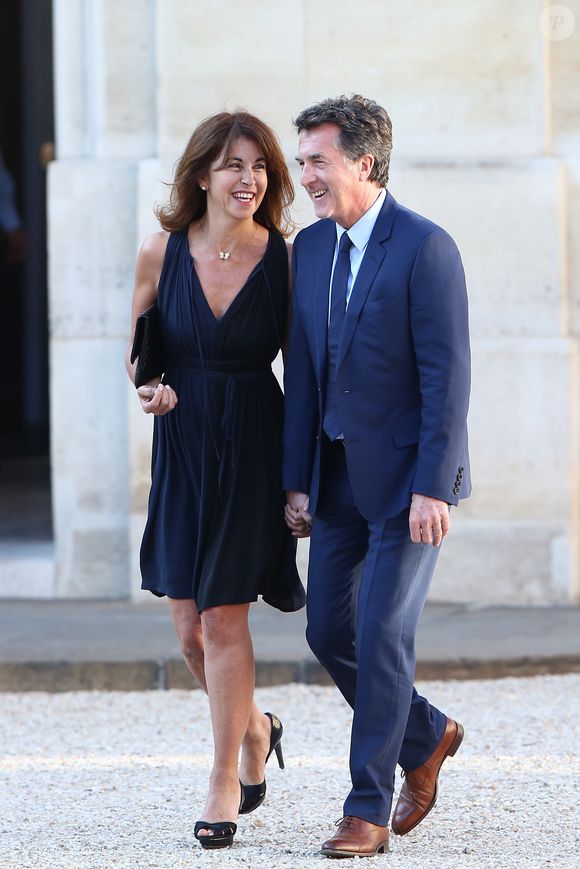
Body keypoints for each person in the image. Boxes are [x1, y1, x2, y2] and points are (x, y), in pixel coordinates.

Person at [283, 94, 471, 859]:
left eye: (317, 161)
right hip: (334, 480)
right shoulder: (311, 249)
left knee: (383, 630)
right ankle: (427, 733)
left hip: (408, 486)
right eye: (301, 163)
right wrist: (297, 478)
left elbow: (448, 376)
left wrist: (436, 484)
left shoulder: (427, 247)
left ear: (364, 161)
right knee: (328, 629)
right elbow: (302, 368)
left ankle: (365, 807)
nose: (305, 178)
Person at [125, 111, 305, 851]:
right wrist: (150, 388)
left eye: (259, 166)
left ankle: (222, 779)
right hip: (185, 446)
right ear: (202, 174)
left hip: (256, 443)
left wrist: (302, 482)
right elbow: (141, 352)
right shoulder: (158, 250)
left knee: (225, 618)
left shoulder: (284, 258)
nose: (249, 179)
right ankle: (256, 726)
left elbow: (310, 377)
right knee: (188, 626)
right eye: (233, 164)